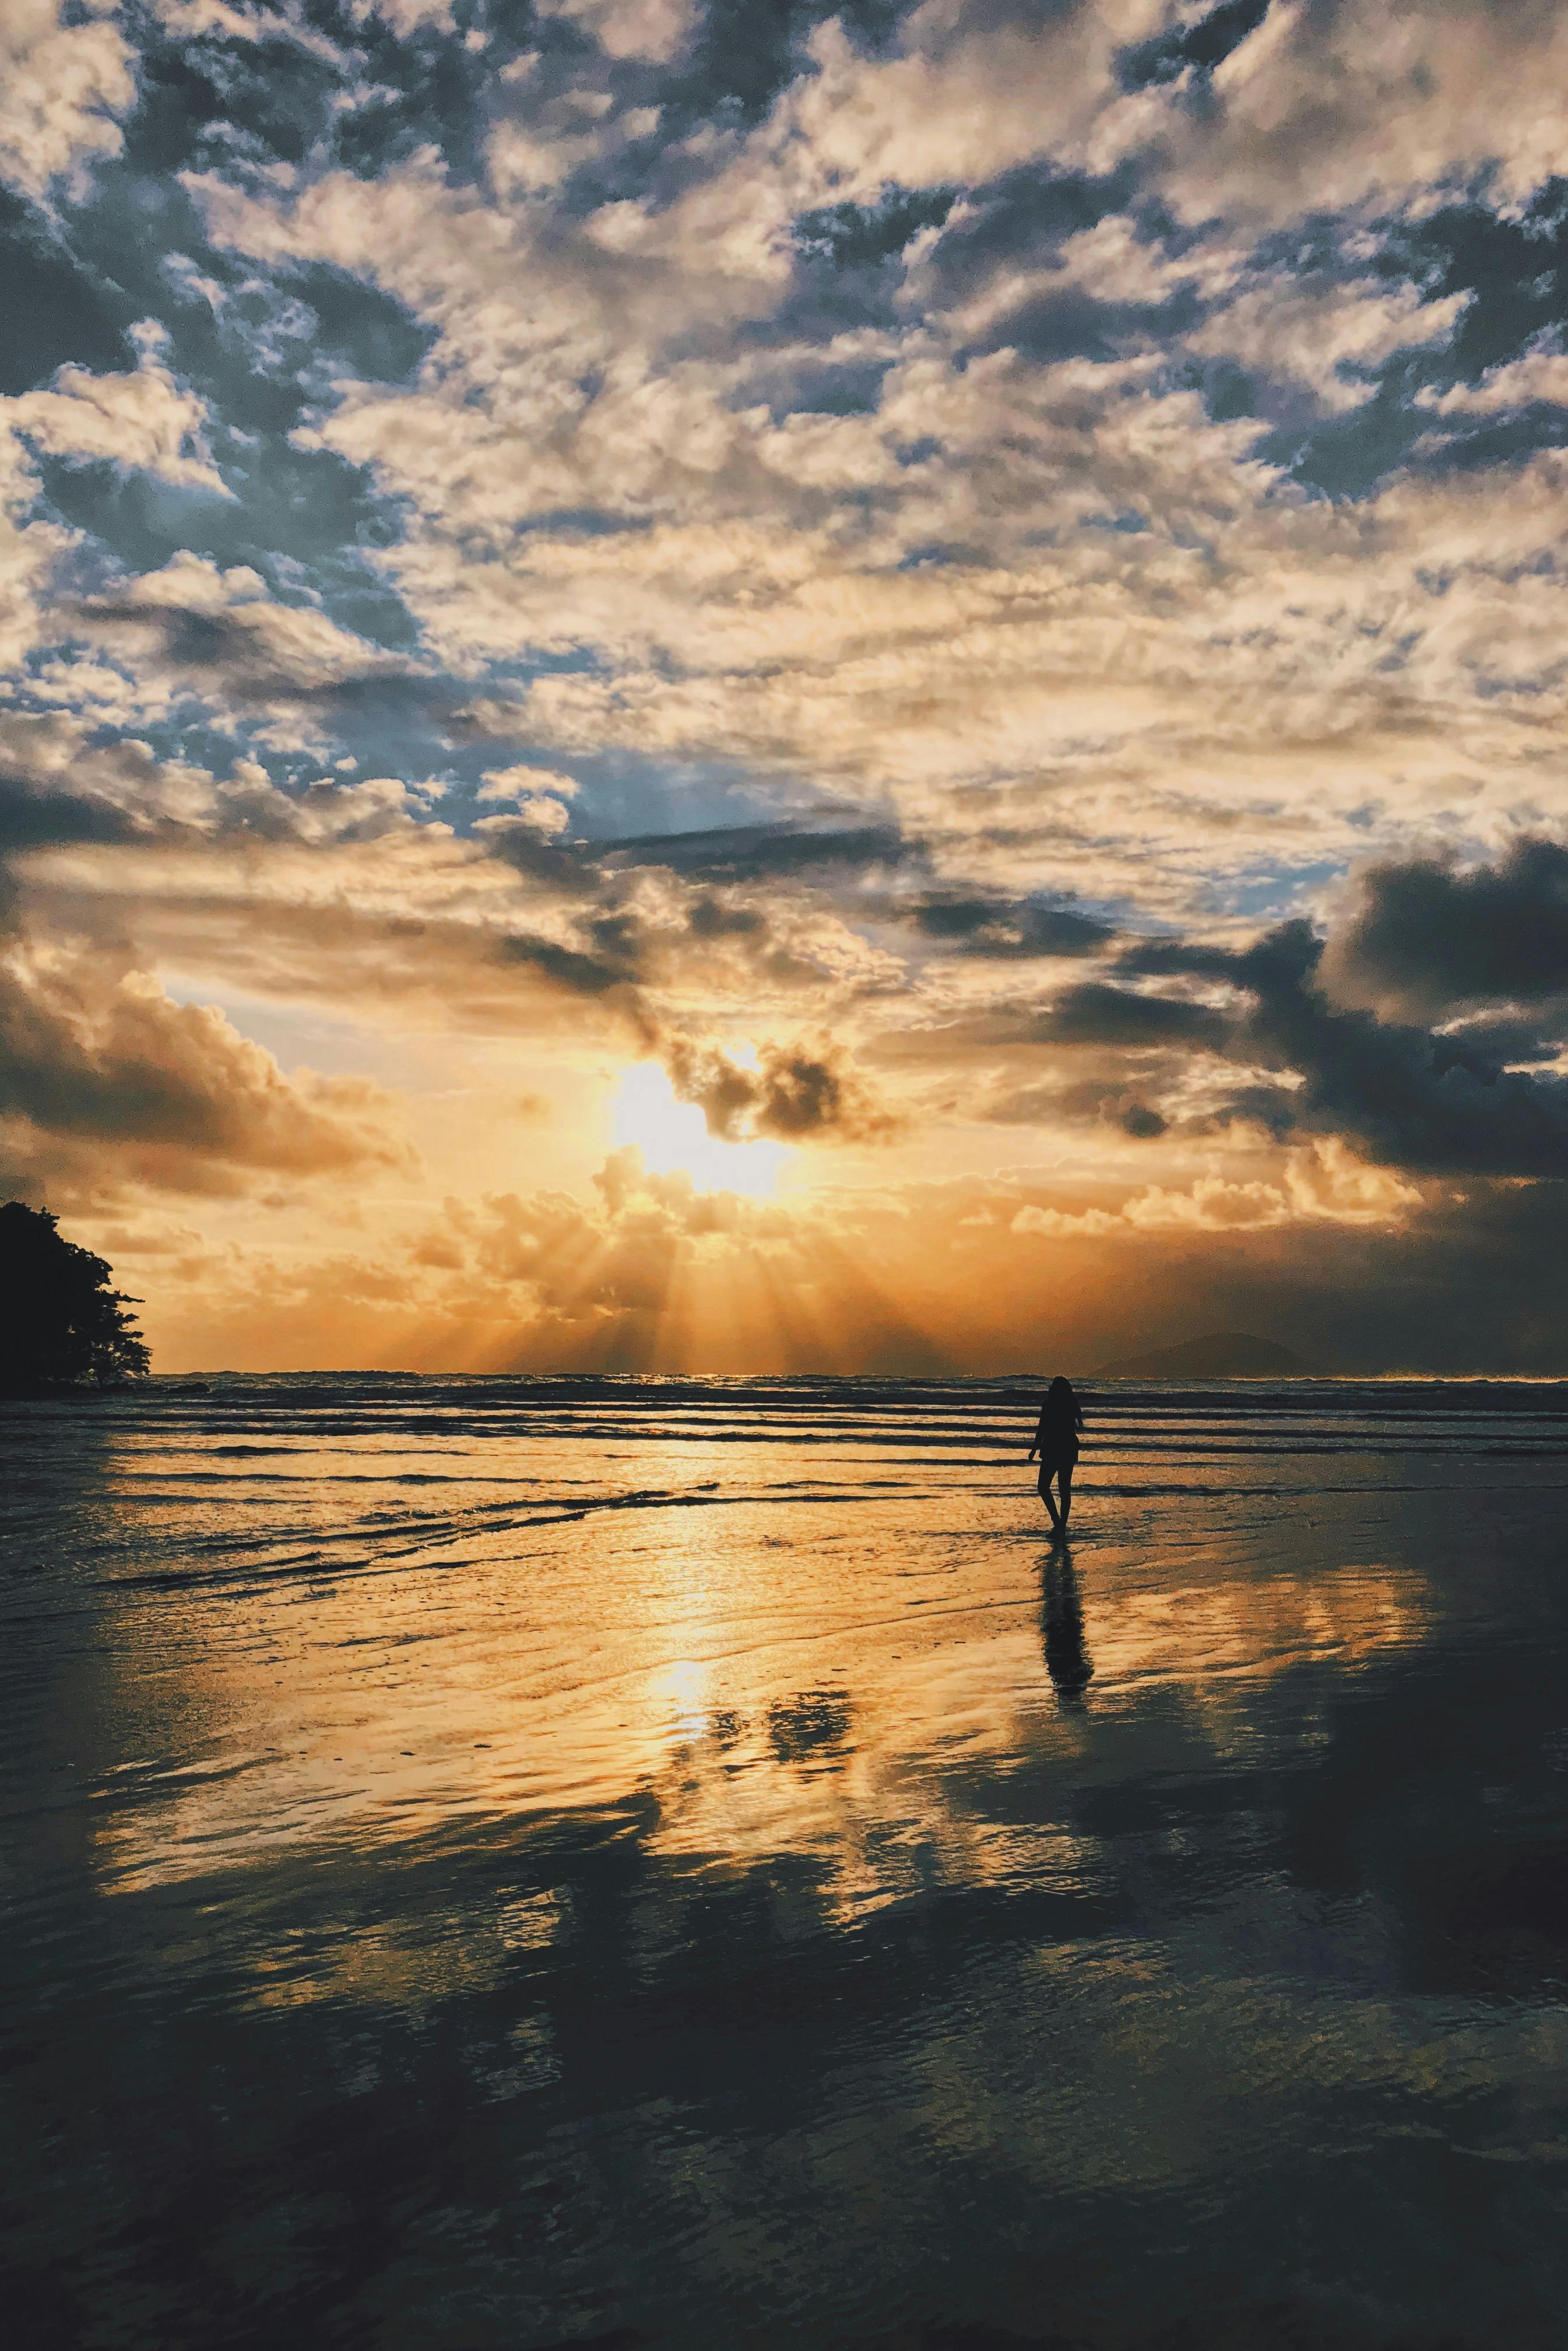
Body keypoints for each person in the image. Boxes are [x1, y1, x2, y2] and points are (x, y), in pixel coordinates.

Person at [1027, 1374, 1084, 1532]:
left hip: (1053, 1448)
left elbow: (1042, 1428)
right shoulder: (1071, 1404)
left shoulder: (1049, 1405)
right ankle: (1062, 1524)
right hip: (1068, 1448)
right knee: (1064, 1489)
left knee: (1043, 1486)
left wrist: (1034, 1448)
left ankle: (1057, 1521)